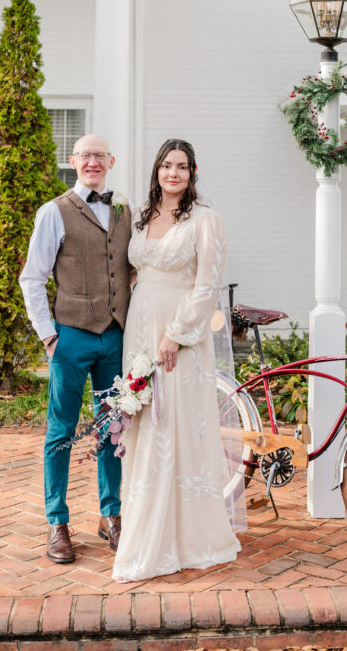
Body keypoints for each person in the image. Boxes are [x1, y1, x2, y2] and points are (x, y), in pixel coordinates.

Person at [112, 138, 242, 583]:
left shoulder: (206, 220)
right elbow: (134, 271)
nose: (173, 173)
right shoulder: (143, 217)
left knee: (174, 426)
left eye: (181, 167)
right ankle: (147, 527)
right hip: (139, 331)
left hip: (178, 338)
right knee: (144, 424)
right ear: (157, 171)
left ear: (192, 172)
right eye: (166, 165)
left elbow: (207, 287)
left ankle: (185, 539)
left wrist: (175, 336)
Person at [20, 134, 132, 564]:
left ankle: (111, 515)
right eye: (85, 155)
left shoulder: (125, 211)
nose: (93, 162)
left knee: (113, 429)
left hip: (115, 338)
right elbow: (33, 278)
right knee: (61, 431)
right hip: (71, 336)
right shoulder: (54, 212)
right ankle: (57, 522)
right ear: (73, 161)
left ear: (111, 161)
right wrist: (48, 335)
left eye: (100, 156)